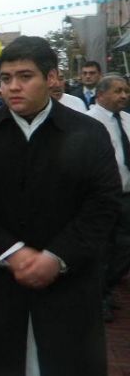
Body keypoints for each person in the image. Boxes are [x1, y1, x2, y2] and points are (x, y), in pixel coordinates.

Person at [0, 36, 120, 375]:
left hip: (67, 285)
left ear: (52, 78)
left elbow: (103, 202)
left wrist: (57, 257)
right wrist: (11, 252)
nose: (14, 87)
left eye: (25, 76)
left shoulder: (88, 133)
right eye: (6, 78)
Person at [86, 75, 130, 323]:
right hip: (100, 197)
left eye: (126, 90)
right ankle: (99, 296)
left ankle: (106, 287)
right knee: (101, 249)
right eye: (118, 91)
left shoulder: (128, 120)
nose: (124, 95)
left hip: (126, 196)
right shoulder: (89, 123)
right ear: (100, 94)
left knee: (124, 249)